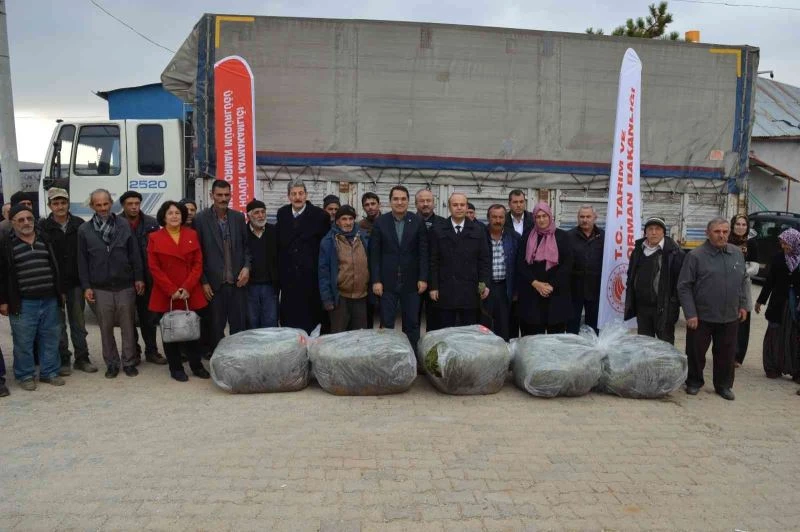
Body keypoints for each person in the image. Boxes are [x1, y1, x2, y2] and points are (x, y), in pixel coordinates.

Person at [678, 217, 748, 401]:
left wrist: (744, 305)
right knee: (695, 352)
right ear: (708, 233)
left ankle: (723, 385)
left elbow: (743, 280)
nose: (722, 235)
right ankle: (693, 382)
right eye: (717, 232)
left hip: (729, 316)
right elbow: (684, 286)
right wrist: (690, 313)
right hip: (701, 317)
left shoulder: (736, 253)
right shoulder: (695, 256)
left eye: (725, 232)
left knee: (726, 354)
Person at [78, 189, 145, 378]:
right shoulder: (84, 230)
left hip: (125, 285)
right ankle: (112, 364)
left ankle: (129, 362)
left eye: (105, 204)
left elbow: (135, 254)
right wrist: (86, 286)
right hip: (100, 287)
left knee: (128, 327)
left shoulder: (123, 225)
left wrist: (139, 278)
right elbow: (82, 261)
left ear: (111, 203)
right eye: (98, 205)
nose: (102, 208)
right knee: (106, 329)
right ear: (92, 206)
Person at [0, 204, 65, 390]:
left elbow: (56, 266)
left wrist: (60, 292)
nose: (26, 223)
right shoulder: (6, 244)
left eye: (29, 218)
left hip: (49, 299)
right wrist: (3, 301)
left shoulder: (46, 239)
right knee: (23, 341)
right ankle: (25, 375)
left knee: (51, 337)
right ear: (12, 223)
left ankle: (49, 372)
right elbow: (2, 275)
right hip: (23, 303)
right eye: (21, 220)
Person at [147, 201, 211, 382]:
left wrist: (186, 287)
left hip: (189, 292)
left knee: (192, 331)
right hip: (166, 293)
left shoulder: (192, 234)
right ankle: (175, 368)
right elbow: (154, 268)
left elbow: (198, 264)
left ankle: (196, 366)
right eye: (170, 213)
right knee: (170, 332)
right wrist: (172, 290)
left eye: (177, 213)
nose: (174, 216)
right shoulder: (154, 237)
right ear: (163, 216)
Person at [38, 188, 97, 374]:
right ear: (49, 206)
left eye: (63, 202)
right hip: (53, 285)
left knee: (78, 323)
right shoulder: (42, 228)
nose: (60, 206)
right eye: (55, 203)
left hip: (76, 283)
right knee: (58, 325)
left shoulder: (79, 225)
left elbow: (87, 255)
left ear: (68, 203)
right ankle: (63, 358)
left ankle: (82, 357)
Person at [192, 180, 251, 352]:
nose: (223, 198)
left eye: (226, 195)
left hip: (237, 284)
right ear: (212, 196)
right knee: (215, 329)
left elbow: (247, 248)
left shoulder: (238, 218)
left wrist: (247, 267)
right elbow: (197, 255)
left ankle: (237, 360)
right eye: (219, 195)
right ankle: (219, 362)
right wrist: (203, 281)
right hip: (214, 285)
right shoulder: (200, 220)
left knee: (238, 328)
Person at [371, 185, 429, 346]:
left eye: (403, 199)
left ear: (408, 201)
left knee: (412, 324)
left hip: (412, 283)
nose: (399, 202)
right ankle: (387, 358)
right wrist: (376, 280)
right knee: (386, 324)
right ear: (390, 202)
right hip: (386, 283)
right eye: (396, 199)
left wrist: (423, 278)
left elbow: (423, 252)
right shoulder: (380, 223)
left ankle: (412, 360)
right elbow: (374, 255)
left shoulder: (417, 221)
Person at [276, 180, 330, 333]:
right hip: (289, 278)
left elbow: (325, 248)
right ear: (288, 197)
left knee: (311, 318)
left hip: (311, 277)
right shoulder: (283, 213)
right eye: (294, 194)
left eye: (300, 193)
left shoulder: (320, 216)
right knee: (289, 319)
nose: (297, 197)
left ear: (306, 195)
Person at [429, 193, 490, 328]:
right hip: (446, 290)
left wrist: (484, 284)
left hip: (470, 290)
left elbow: (484, 260)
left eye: (462, 205)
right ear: (449, 208)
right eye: (455, 205)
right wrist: (433, 287)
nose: (459, 208)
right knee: (445, 329)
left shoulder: (478, 230)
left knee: (468, 331)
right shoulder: (438, 229)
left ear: (467, 206)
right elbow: (434, 261)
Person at [119, 190, 166, 366]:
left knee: (149, 318)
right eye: (130, 204)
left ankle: (152, 351)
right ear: (123, 205)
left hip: (149, 279)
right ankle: (134, 352)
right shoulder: (116, 223)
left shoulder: (152, 223)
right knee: (129, 319)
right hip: (125, 279)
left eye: (137, 203)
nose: (134, 207)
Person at [624, 216, 685, 344]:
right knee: (645, 345)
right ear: (645, 232)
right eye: (650, 229)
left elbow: (680, 283)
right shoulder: (638, 250)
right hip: (643, 308)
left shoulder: (674, 253)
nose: (653, 232)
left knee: (665, 346)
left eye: (657, 229)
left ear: (663, 232)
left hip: (664, 309)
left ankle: (667, 365)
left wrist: (673, 305)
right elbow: (631, 276)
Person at [516, 202, 573, 335]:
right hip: (532, 295)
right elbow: (521, 264)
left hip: (556, 295)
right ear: (534, 219)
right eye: (538, 217)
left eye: (544, 216)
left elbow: (567, 264)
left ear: (550, 216)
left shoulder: (562, 237)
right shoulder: (527, 237)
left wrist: (551, 286)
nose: (541, 220)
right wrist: (536, 283)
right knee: (533, 339)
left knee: (555, 340)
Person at [754, 228, 800, 383]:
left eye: (786, 243)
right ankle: (772, 367)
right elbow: (770, 282)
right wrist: (760, 300)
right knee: (775, 335)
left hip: (796, 306)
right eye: (782, 242)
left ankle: (796, 371)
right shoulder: (778, 258)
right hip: (779, 304)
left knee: (795, 336)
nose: (783, 246)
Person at [319, 205, 371, 332]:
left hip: (361, 297)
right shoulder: (329, 241)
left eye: (350, 219)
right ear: (337, 221)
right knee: (339, 338)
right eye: (344, 219)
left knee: (360, 337)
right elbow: (323, 272)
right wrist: (327, 298)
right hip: (340, 298)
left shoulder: (364, 238)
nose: (348, 222)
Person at [480, 204, 519, 340]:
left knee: (503, 325)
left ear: (505, 218)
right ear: (488, 218)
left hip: (504, 287)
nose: (498, 220)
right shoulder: (480, 235)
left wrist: (515, 290)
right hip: (486, 287)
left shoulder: (514, 237)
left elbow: (518, 265)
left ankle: (503, 355)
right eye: (494, 217)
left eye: (501, 217)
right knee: (484, 326)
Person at [567, 205, 604, 333]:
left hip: (596, 290)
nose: (585, 220)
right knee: (572, 326)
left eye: (588, 216)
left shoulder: (604, 237)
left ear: (595, 218)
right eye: (582, 217)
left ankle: (593, 351)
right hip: (573, 289)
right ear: (578, 218)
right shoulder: (569, 236)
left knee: (593, 328)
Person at [729, 214, 759, 367]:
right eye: (738, 224)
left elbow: (755, 267)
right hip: (726, 284)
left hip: (744, 284)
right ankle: (725, 353)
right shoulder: (726, 240)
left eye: (743, 225)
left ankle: (737, 357)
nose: (740, 227)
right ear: (732, 225)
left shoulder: (752, 243)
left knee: (743, 320)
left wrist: (743, 271)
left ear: (747, 227)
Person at [245, 199, 279, 329]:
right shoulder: (243, 232)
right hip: (250, 286)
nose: (261, 215)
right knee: (252, 322)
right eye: (256, 212)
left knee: (270, 322)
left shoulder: (273, 231)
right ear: (249, 215)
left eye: (263, 212)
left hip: (269, 285)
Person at [415, 188, 445, 331]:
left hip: (437, 280)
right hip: (414, 280)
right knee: (412, 320)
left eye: (428, 201)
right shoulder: (409, 222)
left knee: (436, 321)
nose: (425, 204)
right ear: (416, 204)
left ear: (434, 203)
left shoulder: (444, 224)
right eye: (422, 201)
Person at [359, 192, 382, 328]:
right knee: (368, 313)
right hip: (367, 276)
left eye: (373, 204)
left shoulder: (388, 221)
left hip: (385, 274)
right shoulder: (360, 226)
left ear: (379, 204)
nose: (370, 207)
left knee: (385, 315)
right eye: (367, 205)